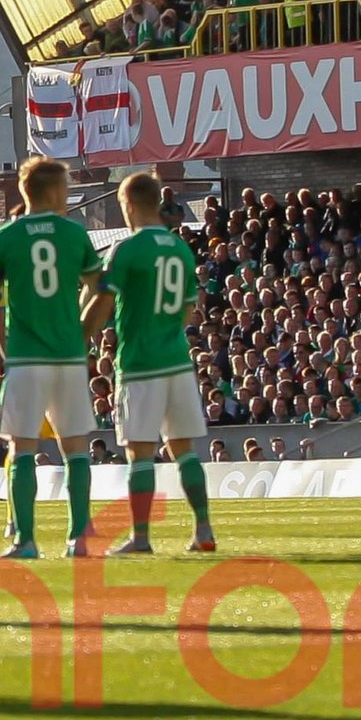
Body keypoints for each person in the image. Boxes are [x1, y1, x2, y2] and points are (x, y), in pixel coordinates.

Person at [82, 172, 217, 554]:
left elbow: (103, 303)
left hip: (140, 362)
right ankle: (203, 529)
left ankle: (141, 538)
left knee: (139, 453)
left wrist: (79, 338)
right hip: (176, 359)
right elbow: (189, 308)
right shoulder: (180, 248)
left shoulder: (126, 249)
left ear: (127, 204)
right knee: (183, 449)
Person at [0, 157, 102, 559]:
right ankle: (78, 538)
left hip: (25, 357)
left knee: (23, 448)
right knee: (76, 448)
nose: (68, 195)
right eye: (65, 188)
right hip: (67, 356)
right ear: (53, 191)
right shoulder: (74, 234)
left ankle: (25, 541)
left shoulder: (5, 237)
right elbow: (99, 287)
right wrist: (81, 326)